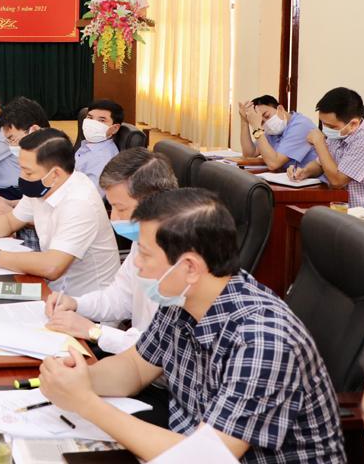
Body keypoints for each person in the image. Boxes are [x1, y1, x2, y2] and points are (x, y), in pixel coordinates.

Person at [39, 188, 345, 463]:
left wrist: (86, 402)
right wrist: (78, 378)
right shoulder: (183, 298)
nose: (136, 264)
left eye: (144, 253)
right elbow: (134, 368)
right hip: (181, 442)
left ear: (189, 267)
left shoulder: (263, 340)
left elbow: (207, 457)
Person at [0, 128, 120, 297]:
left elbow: (52, 266)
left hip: (86, 306)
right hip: (53, 292)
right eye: (21, 169)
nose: (22, 177)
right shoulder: (44, 186)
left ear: (55, 174)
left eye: (28, 172)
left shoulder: (80, 202)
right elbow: (10, 221)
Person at [45, 148, 178, 354]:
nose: (113, 218)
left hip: (156, 374)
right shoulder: (144, 237)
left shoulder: (181, 257)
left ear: (156, 203)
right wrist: (76, 303)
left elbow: (165, 351)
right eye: (112, 207)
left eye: (121, 209)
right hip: (132, 358)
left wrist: (94, 331)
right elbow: (120, 297)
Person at [290, 87, 364, 209]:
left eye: (330, 126)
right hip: (340, 208)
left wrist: (319, 142)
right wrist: (304, 172)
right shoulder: (339, 132)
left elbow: (337, 181)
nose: (325, 129)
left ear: (353, 124)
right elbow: (320, 164)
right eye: (322, 123)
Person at [0, 96, 52, 216]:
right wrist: (11, 203)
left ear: (33, 130)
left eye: (12, 139)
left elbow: (56, 217)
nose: (11, 145)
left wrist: (13, 213)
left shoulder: (57, 163)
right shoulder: (37, 159)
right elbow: (36, 203)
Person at [236, 94, 317, 171]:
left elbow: (273, 163)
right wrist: (244, 121)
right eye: (261, 122)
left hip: (314, 181)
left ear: (280, 109)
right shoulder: (272, 130)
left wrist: (256, 127)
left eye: (267, 115)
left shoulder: (301, 125)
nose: (266, 123)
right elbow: (250, 154)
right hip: (289, 179)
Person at [75, 100, 123, 196]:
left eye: (101, 120)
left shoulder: (102, 158)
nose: (92, 123)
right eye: (90, 118)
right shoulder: (90, 145)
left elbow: (90, 197)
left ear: (115, 128)